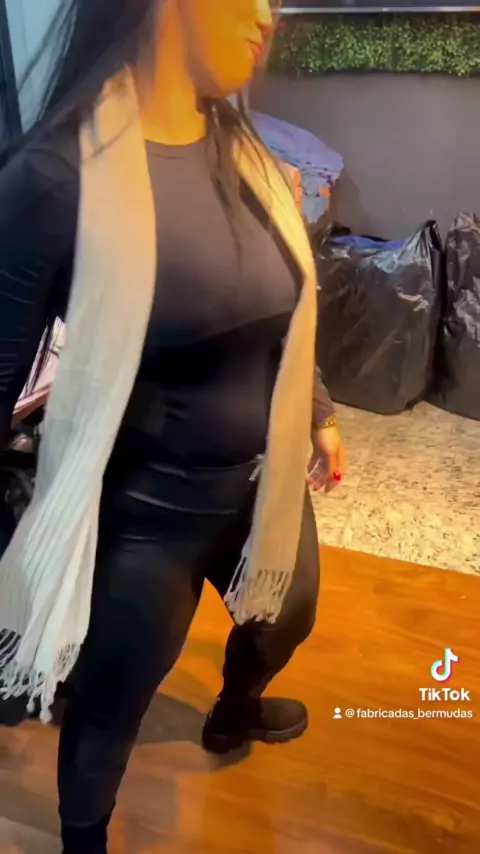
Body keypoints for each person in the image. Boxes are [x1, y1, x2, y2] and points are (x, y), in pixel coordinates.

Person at [0, 1, 345, 851]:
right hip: (150, 517)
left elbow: (273, 296)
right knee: (112, 708)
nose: (269, 17)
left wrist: (318, 414)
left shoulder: (242, 147)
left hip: (261, 486)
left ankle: (234, 711)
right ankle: (84, 839)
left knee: (286, 618)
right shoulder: (59, 176)